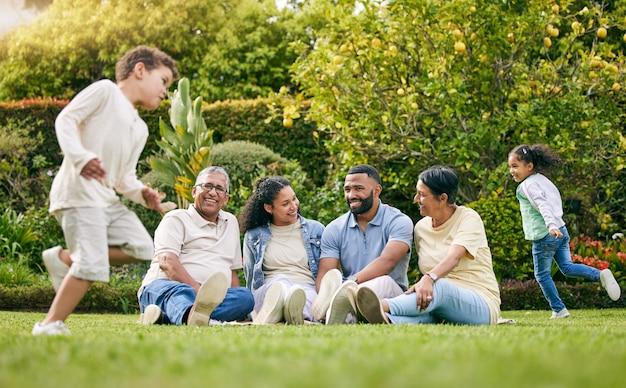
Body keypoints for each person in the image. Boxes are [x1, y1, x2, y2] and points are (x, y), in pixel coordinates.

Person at [33, 46, 179, 336]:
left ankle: (63, 259)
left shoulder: (140, 129)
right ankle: (49, 325)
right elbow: (66, 119)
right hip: (78, 194)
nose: (165, 92)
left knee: (143, 247)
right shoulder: (105, 91)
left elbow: (123, 177)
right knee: (91, 263)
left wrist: (141, 193)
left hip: (107, 201)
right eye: (163, 81)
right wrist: (81, 157)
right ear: (140, 70)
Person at [356, 166, 502, 325]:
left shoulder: (468, 218)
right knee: (421, 311)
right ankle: (386, 319)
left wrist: (429, 278)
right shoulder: (421, 228)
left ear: (443, 198)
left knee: (440, 286)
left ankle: (380, 305)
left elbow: (454, 257)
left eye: (422, 194)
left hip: (480, 303)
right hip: (438, 302)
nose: (416, 199)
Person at [508, 144, 620, 318]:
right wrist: (557, 224)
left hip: (546, 235)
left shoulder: (527, 186)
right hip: (562, 230)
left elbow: (542, 205)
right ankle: (600, 275)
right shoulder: (543, 180)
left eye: (515, 166)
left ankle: (559, 309)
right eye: (510, 167)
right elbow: (553, 200)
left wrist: (551, 225)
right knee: (567, 267)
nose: (512, 171)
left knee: (542, 275)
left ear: (529, 166)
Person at [137, 166, 254, 326]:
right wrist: (198, 292)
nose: (212, 192)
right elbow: (167, 261)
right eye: (207, 186)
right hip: (167, 285)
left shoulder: (231, 222)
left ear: (225, 198)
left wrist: (242, 312)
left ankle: (169, 316)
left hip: (213, 297)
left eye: (219, 189)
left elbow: (231, 270)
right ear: (194, 191)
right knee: (179, 293)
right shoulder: (176, 218)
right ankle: (191, 315)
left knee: (245, 297)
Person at [313, 164, 414, 325]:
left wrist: (348, 284)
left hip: (390, 295)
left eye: (358, 188)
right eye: (347, 189)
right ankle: (338, 311)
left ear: (377, 190)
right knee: (323, 294)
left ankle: (339, 315)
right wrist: (325, 294)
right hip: (347, 294)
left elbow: (387, 262)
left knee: (383, 281)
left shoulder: (399, 221)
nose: (351, 195)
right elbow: (326, 273)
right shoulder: (334, 228)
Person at [239, 176, 325, 324]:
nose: (293, 206)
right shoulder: (253, 236)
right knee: (280, 283)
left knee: (305, 295)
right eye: (285, 203)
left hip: (305, 289)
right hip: (269, 292)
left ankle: (292, 313)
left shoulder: (316, 230)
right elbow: (250, 275)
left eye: (294, 198)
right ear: (268, 208)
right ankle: (287, 313)